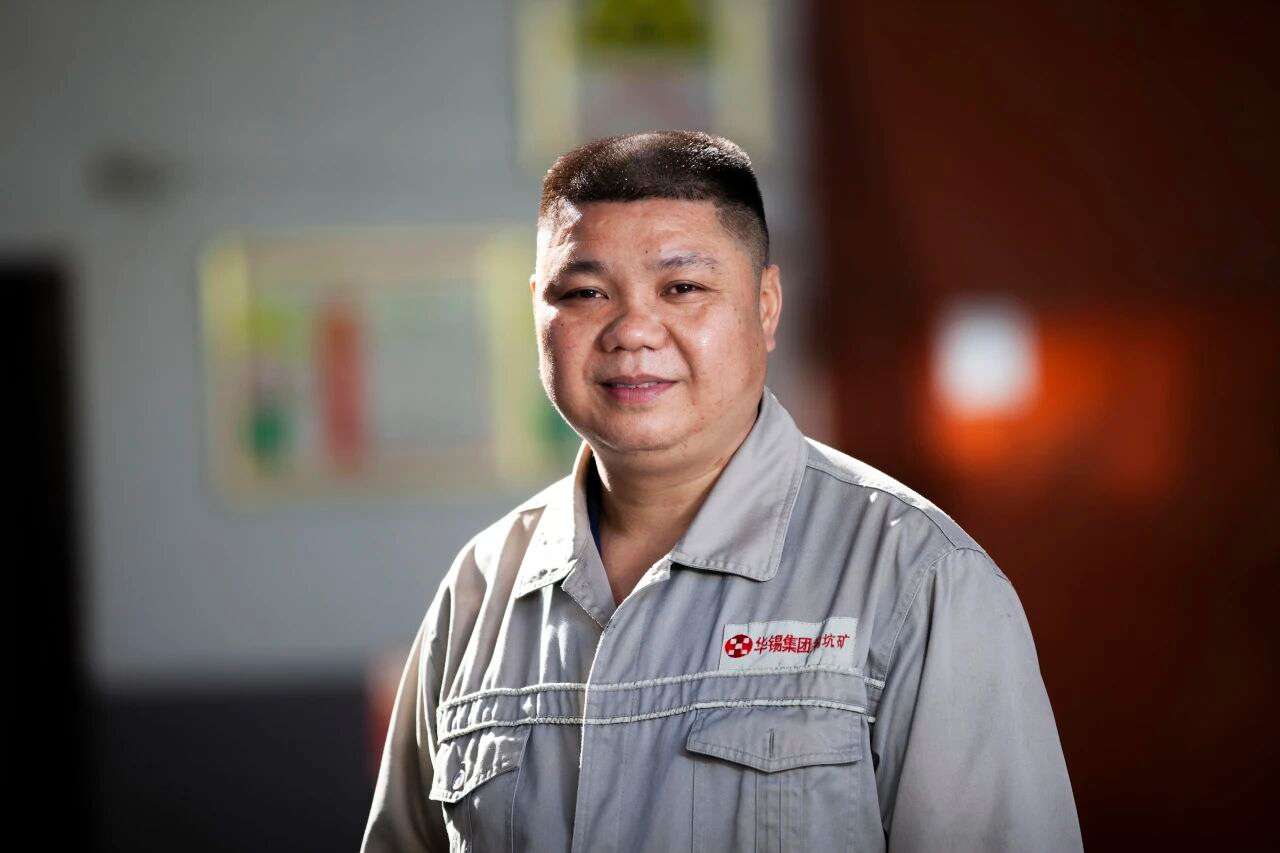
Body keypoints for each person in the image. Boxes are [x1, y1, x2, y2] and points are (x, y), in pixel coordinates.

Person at [361, 130, 1082, 852]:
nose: (632, 331)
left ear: (765, 305)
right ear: (537, 310)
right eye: (585, 292)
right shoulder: (481, 588)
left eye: (682, 288)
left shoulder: (918, 577)